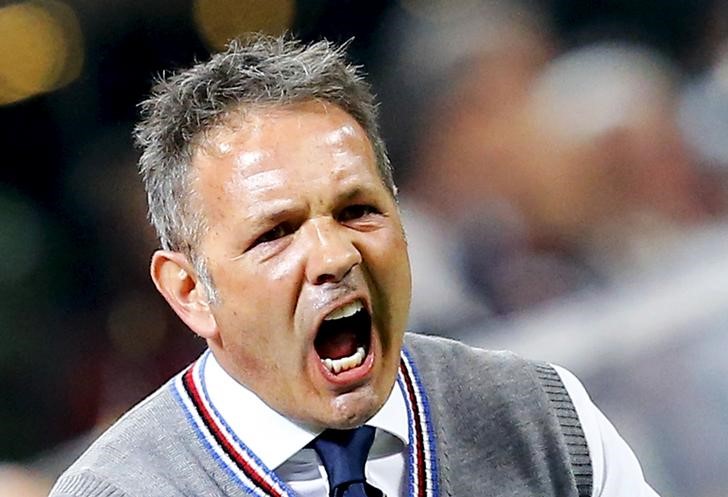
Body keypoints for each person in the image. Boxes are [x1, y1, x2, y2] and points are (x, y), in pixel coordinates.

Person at [49, 34, 659, 497]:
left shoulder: (544, 419)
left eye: (358, 210)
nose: (336, 255)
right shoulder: (123, 488)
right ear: (189, 291)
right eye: (276, 233)